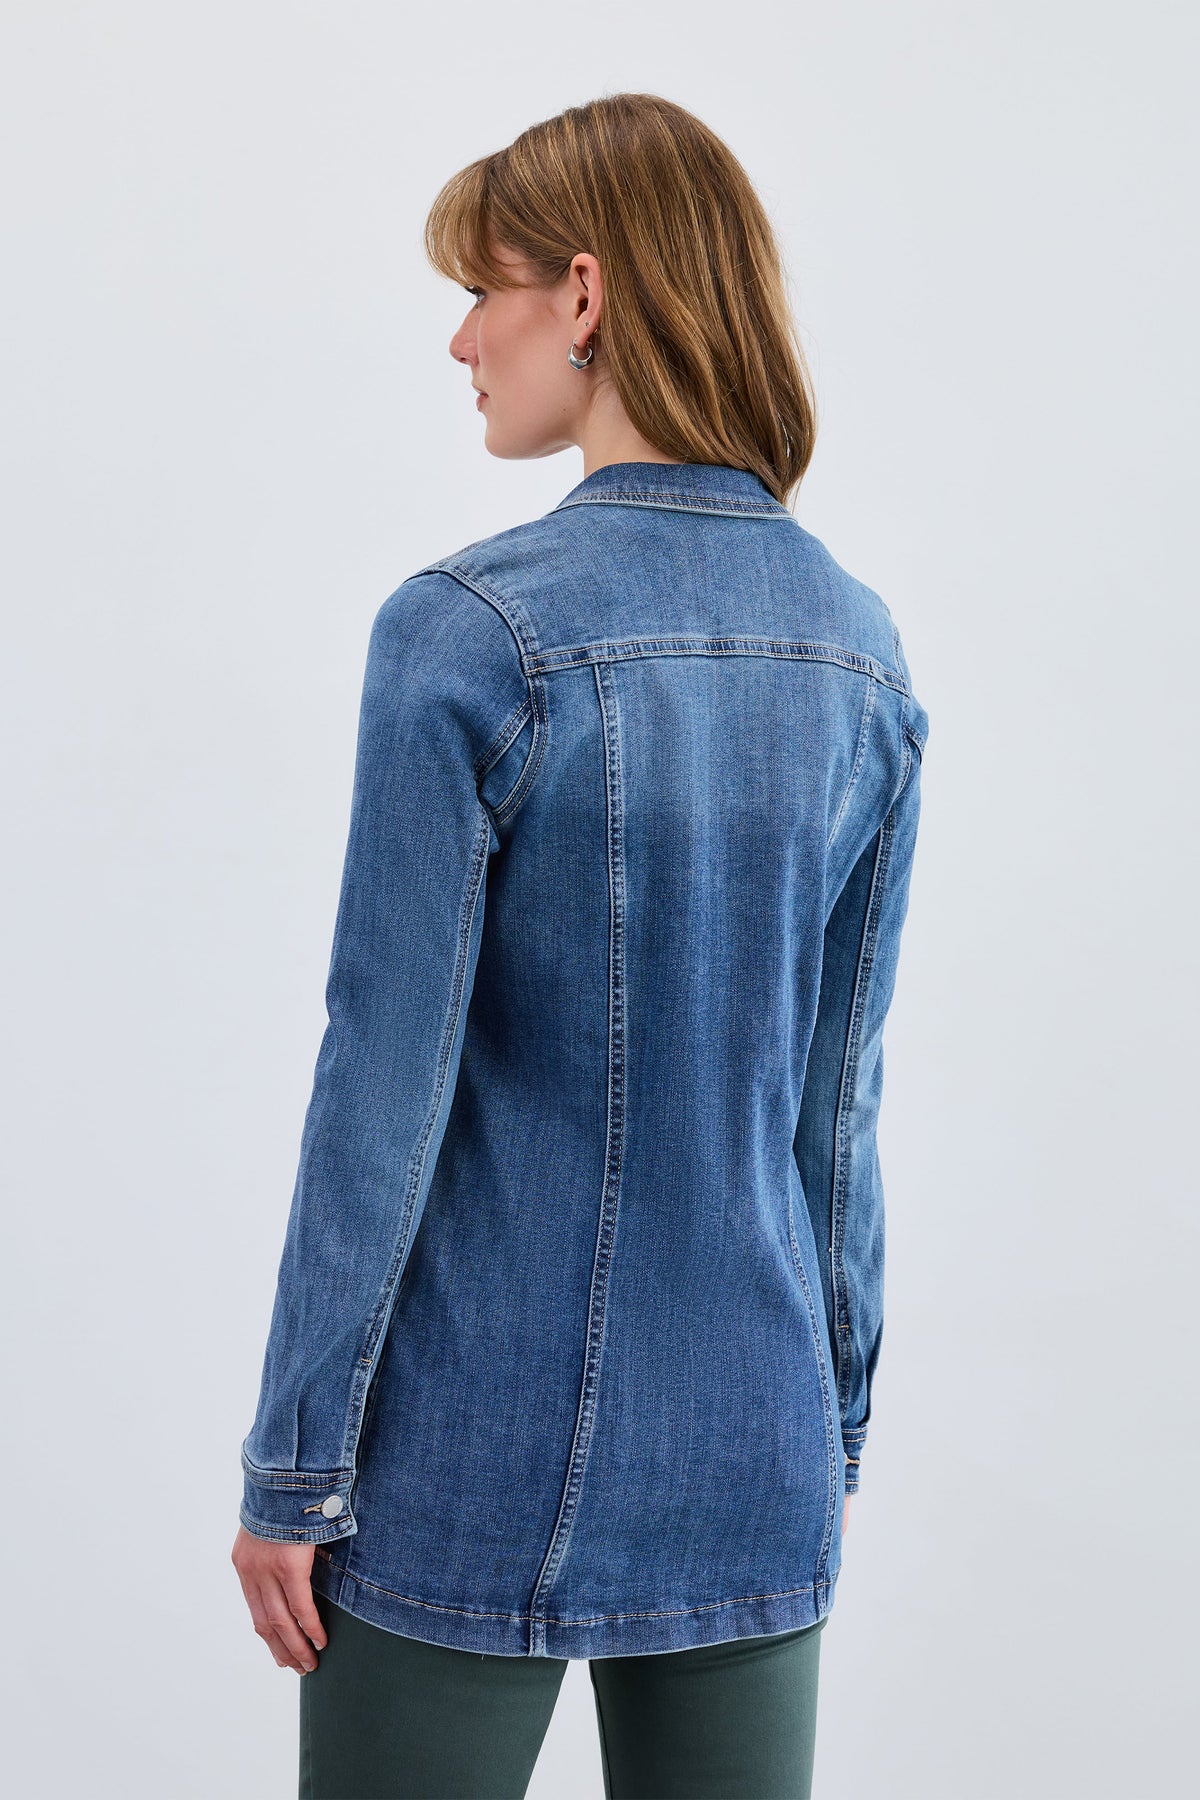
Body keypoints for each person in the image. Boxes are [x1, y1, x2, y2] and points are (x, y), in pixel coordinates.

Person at [231, 91, 930, 1800]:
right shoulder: (860, 650)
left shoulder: (467, 631)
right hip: (755, 1430)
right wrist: (828, 1420)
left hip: (474, 1442)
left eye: (484, 290)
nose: (463, 340)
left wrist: (296, 1465)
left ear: (589, 295)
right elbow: (836, 1105)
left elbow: (380, 1087)